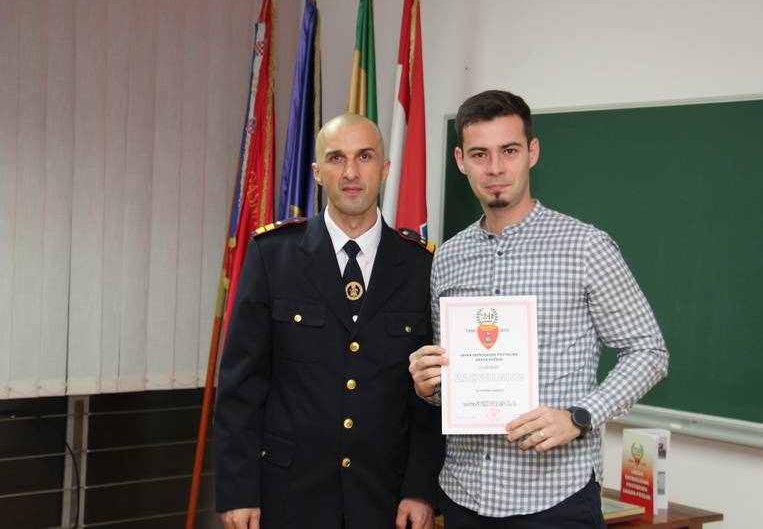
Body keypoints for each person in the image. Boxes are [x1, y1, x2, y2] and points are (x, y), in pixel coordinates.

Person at [409, 90, 668, 528]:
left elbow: (649, 351)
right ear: (460, 160)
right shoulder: (447, 257)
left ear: (532, 152)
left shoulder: (585, 247)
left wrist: (580, 417)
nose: (494, 168)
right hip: (463, 495)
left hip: (554, 499)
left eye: (508, 150)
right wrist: (428, 385)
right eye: (479, 154)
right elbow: (453, 382)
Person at [215, 114, 443, 529]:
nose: (351, 172)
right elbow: (241, 386)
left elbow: (427, 395)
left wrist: (420, 488)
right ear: (317, 172)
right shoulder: (273, 255)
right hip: (288, 495)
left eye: (365, 157)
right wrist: (239, 491)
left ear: (385, 169)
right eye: (337, 158)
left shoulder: (420, 265)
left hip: (385, 497)